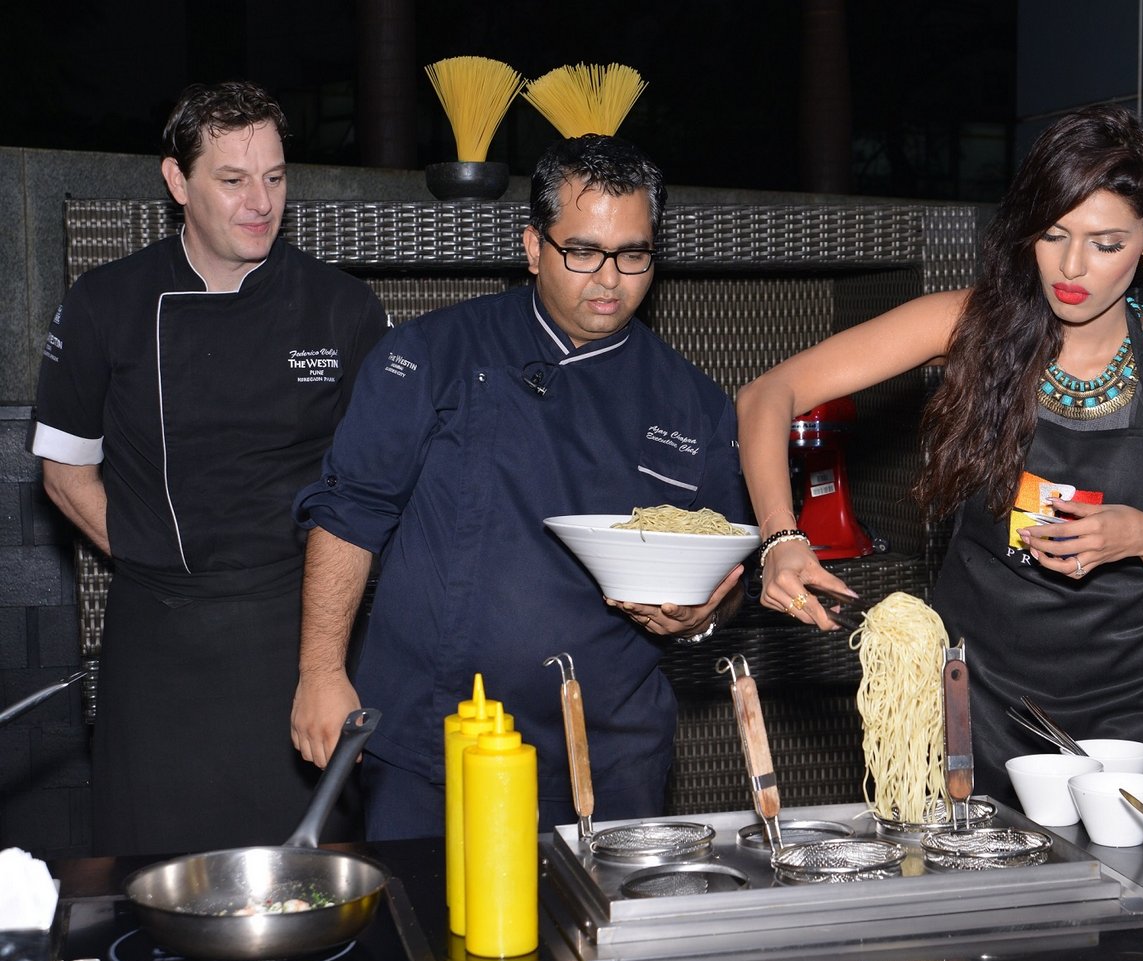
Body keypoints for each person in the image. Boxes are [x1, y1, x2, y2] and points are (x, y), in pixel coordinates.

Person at [737, 105, 1143, 797]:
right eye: (1053, 234)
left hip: (1131, 709)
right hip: (978, 694)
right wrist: (780, 535)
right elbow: (768, 394)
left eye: (1105, 244)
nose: (1071, 267)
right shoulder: (971, 325)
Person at [292, 134, 748, 839]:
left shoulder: (695, 404)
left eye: (633, 254)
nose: (610, 279)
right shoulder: (431, 354)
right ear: (534, 246)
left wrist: (704, 616)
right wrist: (321, 672)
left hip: (611, 754)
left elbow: (727, 562)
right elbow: (349, 514)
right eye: (583, 252)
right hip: (438, 743)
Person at [27, 82, 389, 856]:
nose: (260, 202)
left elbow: (372, 488)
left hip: (299, 636)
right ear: (177, 181)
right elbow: (63, 471)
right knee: (147, 881)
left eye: (275, 177)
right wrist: (153, 556)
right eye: (232, 179)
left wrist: (326, 658)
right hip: (159, 646)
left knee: (310, 883)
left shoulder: (344, 308)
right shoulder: (104, 303)